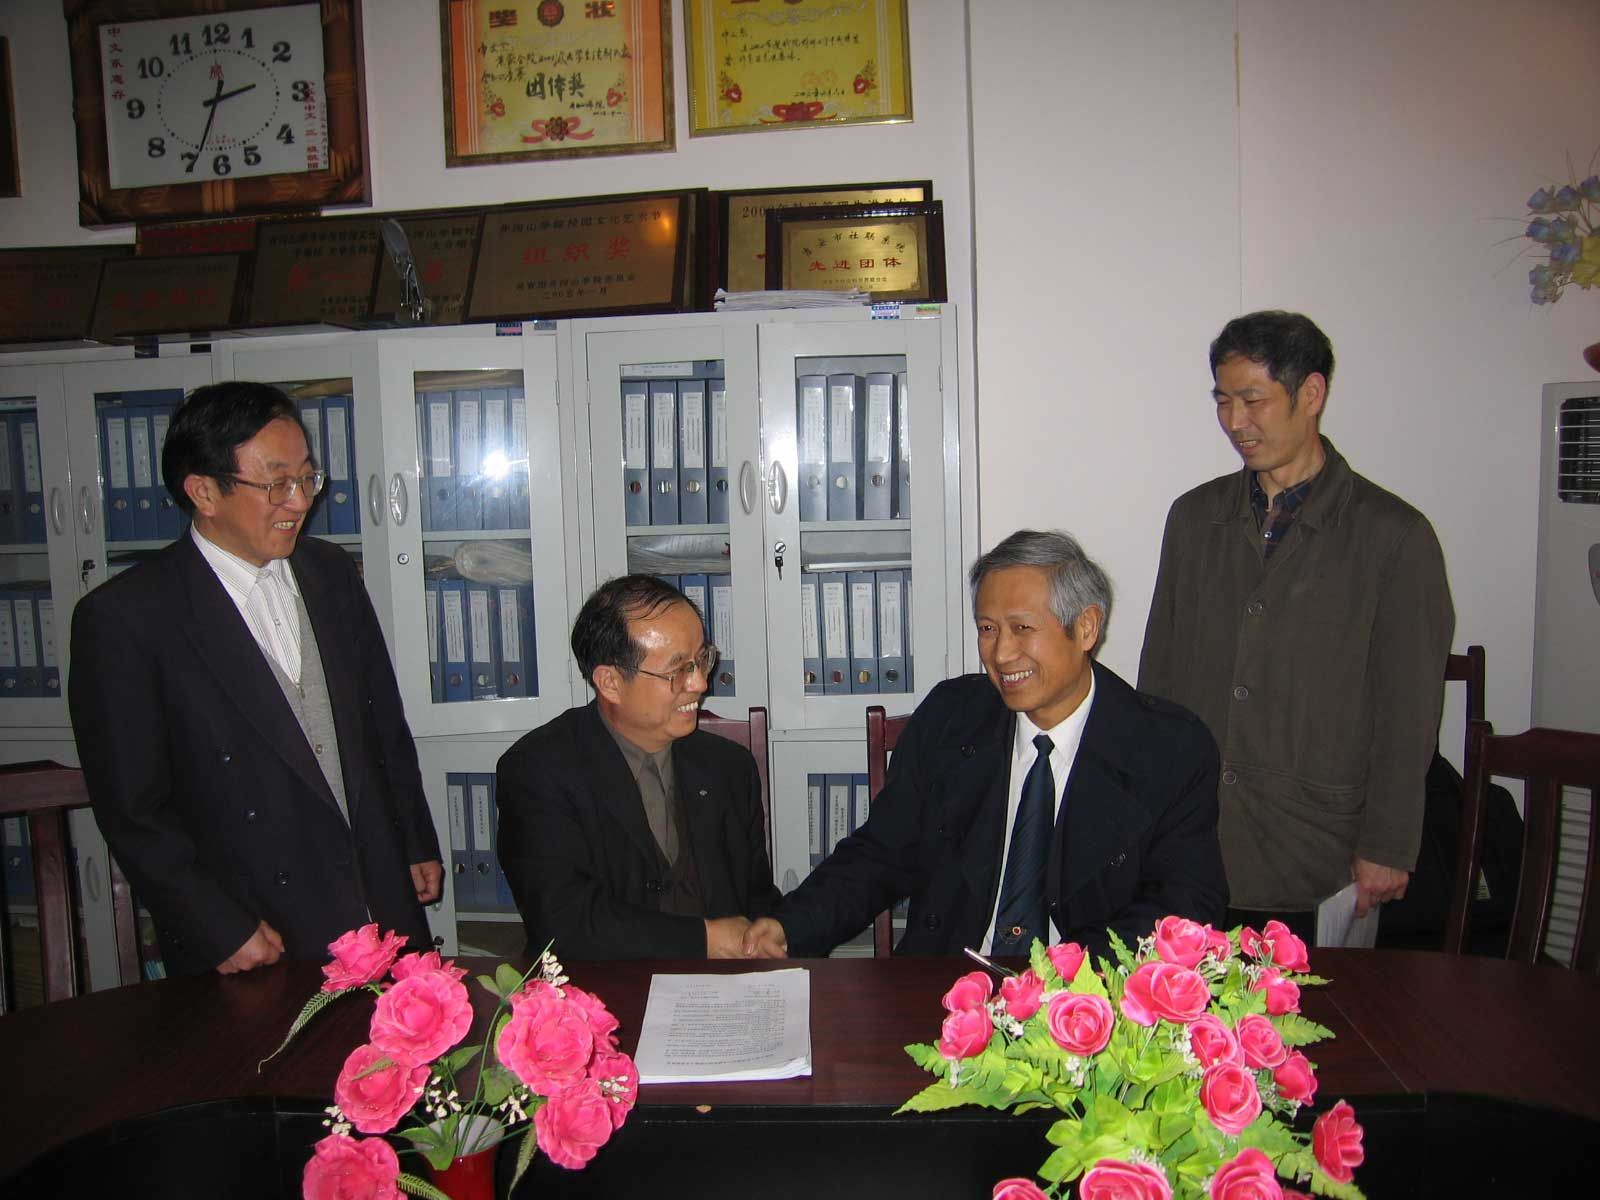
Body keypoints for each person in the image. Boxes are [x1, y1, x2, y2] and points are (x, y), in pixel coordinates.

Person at [68, 382, 441, 976]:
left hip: (376, 888)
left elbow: (381, 722)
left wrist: (413, 839)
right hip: (256, 925)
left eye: (308, 478)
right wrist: (216, 926)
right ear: (203, 492)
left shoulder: (329, 571)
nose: (300, 501)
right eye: (276, 484)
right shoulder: (126, 617)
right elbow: (132, 811)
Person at [744, 530, 1226, 961]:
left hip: (1085, 1000)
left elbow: (1182, 905)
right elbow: (883, 853)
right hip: (947, 986)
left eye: (1022, 628)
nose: (1000, 653)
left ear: (1085, 628)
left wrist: (1059, 984)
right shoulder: (951, 718)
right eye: (987, 628)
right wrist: (791, 927)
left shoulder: (1168, 748)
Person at [1138, 310, 1454, 944]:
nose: (1235, 421)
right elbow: (1160, 676)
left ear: (1311, 394)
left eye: (1253, 399)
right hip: (1196, 842)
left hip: (1317, 851)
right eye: (1223, 400)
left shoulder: (1393, 535)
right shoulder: (1195, 518)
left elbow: (1408, 710)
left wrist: (1388, 844)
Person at [497, 574, 782, 959]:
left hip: (723, 984)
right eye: (678, 669)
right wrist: (704, 940)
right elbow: (563, 922)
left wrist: (771, 933)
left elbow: (757, 898)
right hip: (601, 986)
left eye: (702, 659)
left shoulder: (729, 767)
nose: (700, 683)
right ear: (610, 682)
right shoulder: (538, 771)